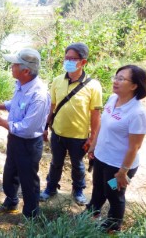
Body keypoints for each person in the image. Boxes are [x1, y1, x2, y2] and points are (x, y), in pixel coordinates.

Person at [0, 48, 50, 218]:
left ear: (26, 70)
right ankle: (11, 202)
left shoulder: (39, 95)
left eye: (15, 64)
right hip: (15, 139)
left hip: (28, 144)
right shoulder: (22, 84)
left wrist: (1, 122)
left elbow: (27, 127)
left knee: (28, 181)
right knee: (10, 173)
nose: (11, 66)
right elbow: (17, 104)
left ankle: (31, 215)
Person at [85, 65, 146, 232]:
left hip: (118, 166)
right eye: (116, 77)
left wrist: (123, 172)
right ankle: (92, 212)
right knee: (98, 187)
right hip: (101, 157)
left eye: (122, 79)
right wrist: (93, 145)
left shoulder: (137, 113)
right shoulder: (113, 99)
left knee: (114, 194)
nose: (116, 81)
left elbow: (135, 146)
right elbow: (103, 126)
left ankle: (113, 227)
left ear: (134, 85)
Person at [40, 42, 102, 206]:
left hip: (79, 136)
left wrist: (92, 139)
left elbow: (95, 115)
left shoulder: (93, 86)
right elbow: (52, 107)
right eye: (66, 58)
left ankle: (78, 190)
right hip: (58, 133)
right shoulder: (57, 81)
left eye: (72, 59)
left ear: (83, 62)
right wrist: (45, 128)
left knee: (78, 165)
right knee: (55, 163)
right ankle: (50, 188)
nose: (68, 61)